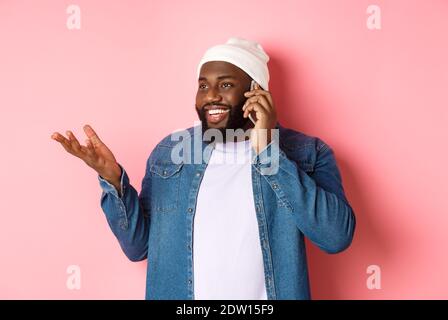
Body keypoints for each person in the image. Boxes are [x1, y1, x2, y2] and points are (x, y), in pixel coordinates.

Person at [51, 37, 356, 300]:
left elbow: (335, 237)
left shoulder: (307, 153)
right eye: (203, 85)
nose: (211, 96)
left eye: (225, 84)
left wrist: (267, 151)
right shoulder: (170, 153)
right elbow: (137, 247)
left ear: (257, 92)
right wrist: (113, 180)